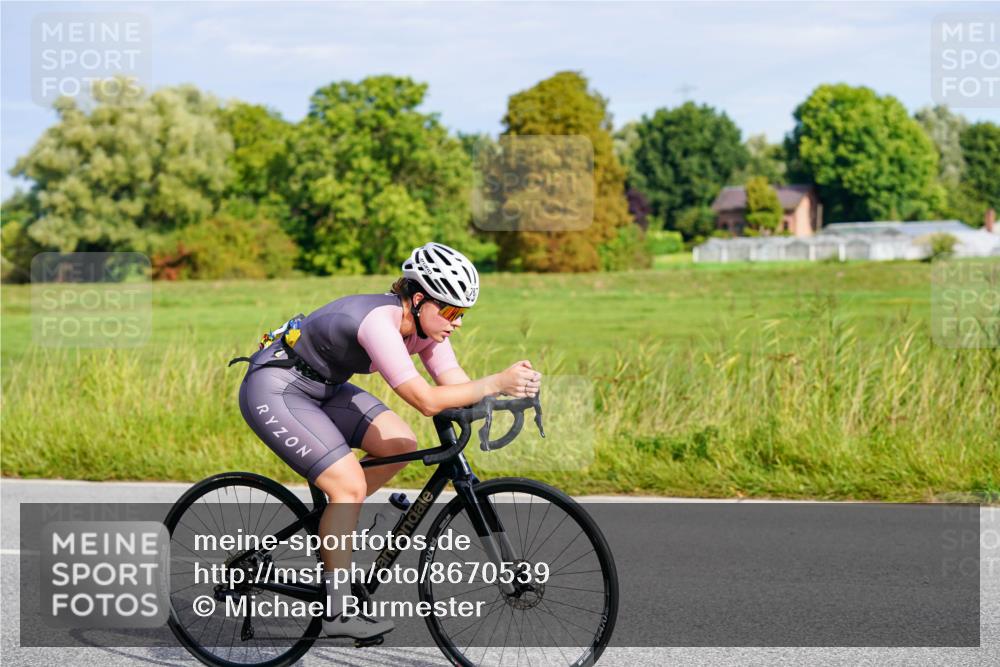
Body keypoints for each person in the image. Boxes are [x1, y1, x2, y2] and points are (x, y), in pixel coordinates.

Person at [236, 242, 542, 639]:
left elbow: (456, 387)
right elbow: (427, 401)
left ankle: (336, 522)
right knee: (348, 486)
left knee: (400, 442)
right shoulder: (378, 323)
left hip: (325, 388)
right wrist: (496, 381)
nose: (457, 322)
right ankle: (337, 609)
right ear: (418, 300)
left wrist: (506, 394)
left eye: (462, 313)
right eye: (450, 310)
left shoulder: (429, 330)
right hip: (275, 388)